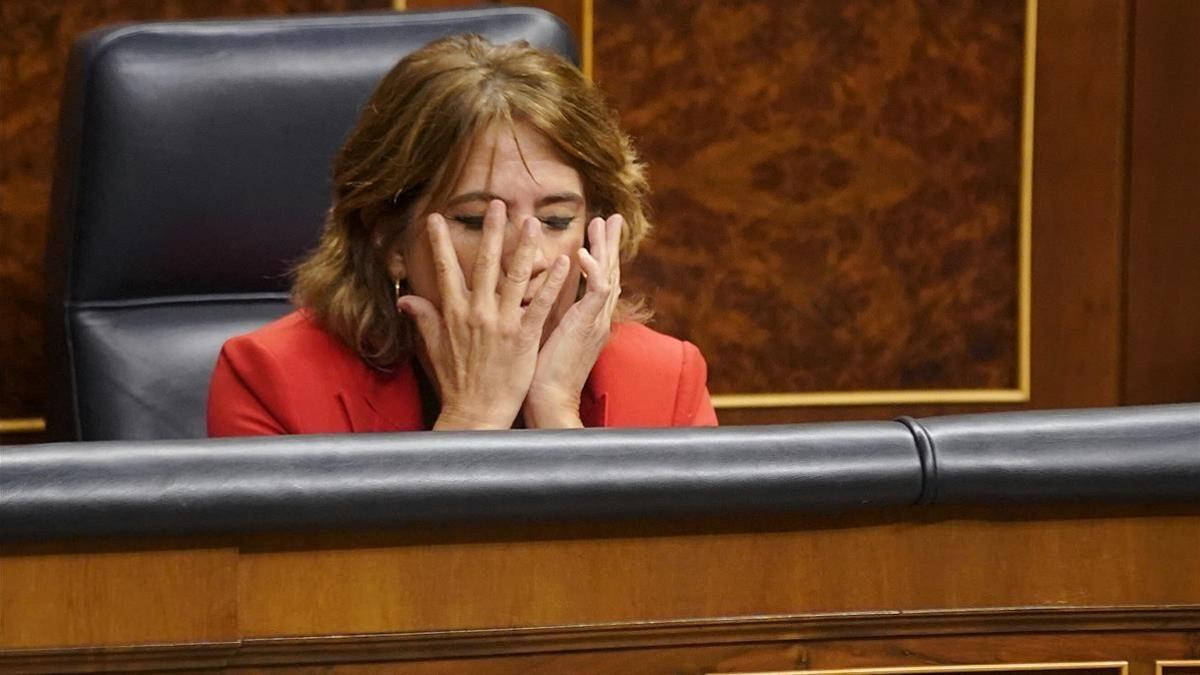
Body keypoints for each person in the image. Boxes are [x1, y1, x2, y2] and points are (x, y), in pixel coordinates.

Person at [207, 34, 717, 435]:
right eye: (476, 221)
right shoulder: (272, 381)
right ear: (388, 237)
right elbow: (346, 575)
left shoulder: (666, 380)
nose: (529, 258)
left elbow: (645, 573)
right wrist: (475, 419)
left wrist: (558, 417)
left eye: (557, 220)